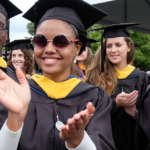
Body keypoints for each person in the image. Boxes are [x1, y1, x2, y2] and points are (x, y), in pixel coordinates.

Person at [0, 0, 116, 150]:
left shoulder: (95, 98)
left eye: (60, 41)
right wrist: (14, 118)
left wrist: (79, 142)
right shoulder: (16, 95)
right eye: (40, 40)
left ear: (77, 48)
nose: (49, 49)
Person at [85, 23, 149, 150]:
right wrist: (115, 103)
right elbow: (87, 112)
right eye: (109, 46)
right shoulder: (94, 77)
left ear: (129, 47)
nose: (113, 50)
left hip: (134, 143)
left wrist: (136, 114)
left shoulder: (142, 78)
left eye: (118, 45)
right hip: (105, 141)